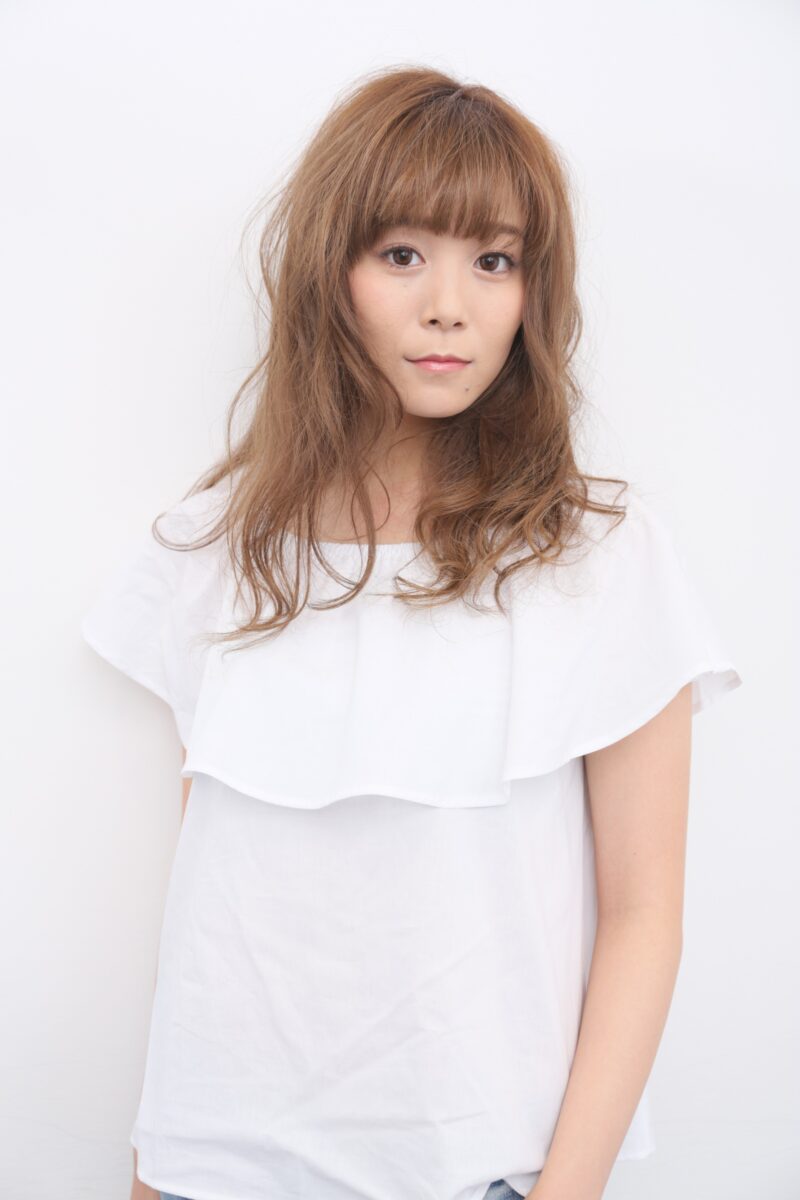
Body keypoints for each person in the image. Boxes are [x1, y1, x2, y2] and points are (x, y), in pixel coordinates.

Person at [80, 65, 742, 1200]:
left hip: (482, 1170)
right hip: (212, 1167)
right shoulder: (218, 548)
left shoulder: (595, 555)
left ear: (533, 290)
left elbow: (644, 914)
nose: (449, 305)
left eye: (494, 261)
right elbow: (216, 913)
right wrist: (155, 1168)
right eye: (400, 253)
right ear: (327, 272)